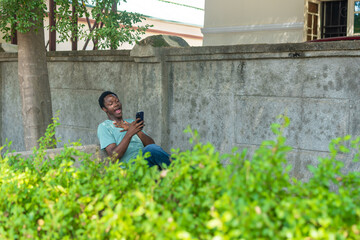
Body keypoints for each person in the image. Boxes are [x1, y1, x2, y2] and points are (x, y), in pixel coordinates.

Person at [97, 91, 171, 169]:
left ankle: (179, 170)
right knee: (151, 150)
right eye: (111, 104)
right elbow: (113, 156)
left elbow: (151, 144)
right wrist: (130, 133)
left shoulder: (131, 122)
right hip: (130, 168)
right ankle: (180, 168)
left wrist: (136, 130)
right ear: (104, 109)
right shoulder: (104, 127)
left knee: (152, 149)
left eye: (117, 101)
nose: (116, 104)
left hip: (146, 163)